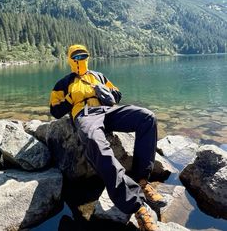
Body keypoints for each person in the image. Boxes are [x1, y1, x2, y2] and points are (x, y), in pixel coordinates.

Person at [50, 44, 167, 231]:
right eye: (76, 56)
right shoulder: (63, 83)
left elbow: (117, 95)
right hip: (85, 115)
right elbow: (54, 110)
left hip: (108, 111)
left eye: (84, 55)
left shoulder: (98, 76)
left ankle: (142, 181)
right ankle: (136, 205)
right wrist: (71, 99)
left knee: (147, 117)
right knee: (96, 143)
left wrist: (105, 92)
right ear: (70, 59)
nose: (81, 59)